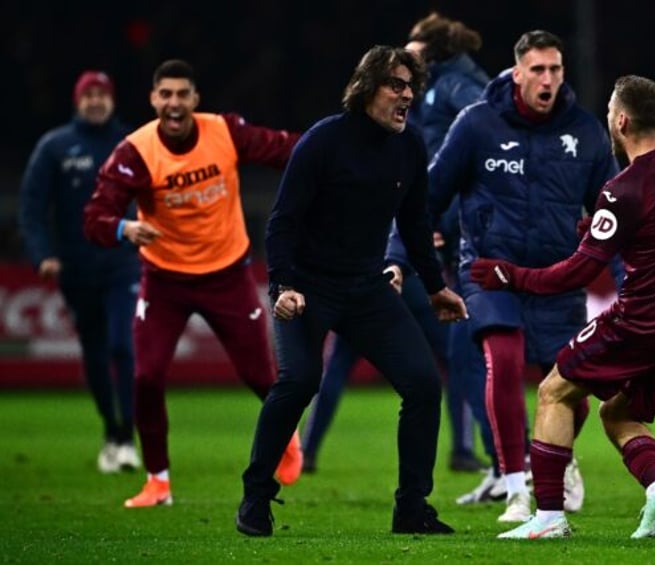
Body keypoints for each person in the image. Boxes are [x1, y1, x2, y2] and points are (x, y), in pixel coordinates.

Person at [472, 74, 655, 539]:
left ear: (622, 120)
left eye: (610, 109)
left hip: (644, 320)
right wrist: (605, 229)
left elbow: (574, 275)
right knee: (620, 413)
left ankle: (547, 518)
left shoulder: (625, 187)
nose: (608, 116)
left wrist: (511, 275)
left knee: (554, 391)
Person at [235, 45, 468, 538]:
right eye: (396, 86)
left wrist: (435, 288)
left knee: (424, 385)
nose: (407, 96)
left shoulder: (411, 146)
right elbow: (281, 223)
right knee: (298, 382)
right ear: (366, 89)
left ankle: (411, 509)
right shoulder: (323, 141)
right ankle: (255, 497)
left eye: (411, 87)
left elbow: (415, 223)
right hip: (308, 286)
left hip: (366, 287)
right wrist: (283, 286)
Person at [82, 59, 303, 508]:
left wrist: (338, 149)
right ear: (153, 99)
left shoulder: (224, 131)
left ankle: (288, 438)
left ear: (195, 100)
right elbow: (94, 218)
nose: (175, 103)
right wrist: (125, 229)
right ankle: (157, 483)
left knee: (262, 377)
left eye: (183, 94)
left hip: (228, 275)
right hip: (165, 282)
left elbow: (288, 149)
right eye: (166, 94)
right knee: (146, 376)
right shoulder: (135, 152)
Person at [427, 30, 621, 523]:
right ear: (517, 73)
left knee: (569, 392)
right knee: (504, 359)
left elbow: (615, 215)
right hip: (489, 270)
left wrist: (630, 282)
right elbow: (430, 192)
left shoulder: (587, 133)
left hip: (557, 280)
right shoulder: (476, 124)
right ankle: (516, 489)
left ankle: (558, 457)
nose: (548, 79)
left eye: (555, 69)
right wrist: (407, 246)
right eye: (537, 69)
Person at [301, 11, 492, 475]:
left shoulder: (453, 92)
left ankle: (307, 450)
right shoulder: (429, 97)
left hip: (408, 245)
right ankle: (473, 453)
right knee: (452, 356)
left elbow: (464, 160)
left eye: (414, 46)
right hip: (398, 250)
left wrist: (438, 218)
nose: (407, 58)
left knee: (442, 356)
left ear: (434, 49)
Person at [19, 71, 141, 474]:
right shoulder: (55, 147)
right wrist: (42, 255)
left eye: (102, 94)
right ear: (77, 100)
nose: (95, 101)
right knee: (94, 348)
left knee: (123, 345)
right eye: (88, 95)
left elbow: (156, 195)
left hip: (122, 262)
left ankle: (127, 436)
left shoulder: (131, 144)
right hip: (76, 266)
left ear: (112, 100)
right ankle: (111, 430)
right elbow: (32, 208)